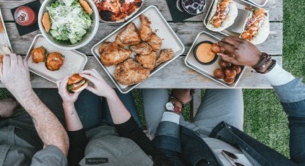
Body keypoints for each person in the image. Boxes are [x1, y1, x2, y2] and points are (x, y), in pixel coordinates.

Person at [142, 36, 305, 166]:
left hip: (176, 140)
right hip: (224, 133)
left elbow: (166, 154)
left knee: (146, 73)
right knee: (226, 66)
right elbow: (302, 117)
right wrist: (261, 62)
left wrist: (176, 104)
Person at [57, 69, 171, 166]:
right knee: (117, 74)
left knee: (79, 71)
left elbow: (77, 144)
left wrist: (68, 104)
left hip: (87, 133)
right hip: (125, 132)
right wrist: (110, 94)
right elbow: (132, 132)